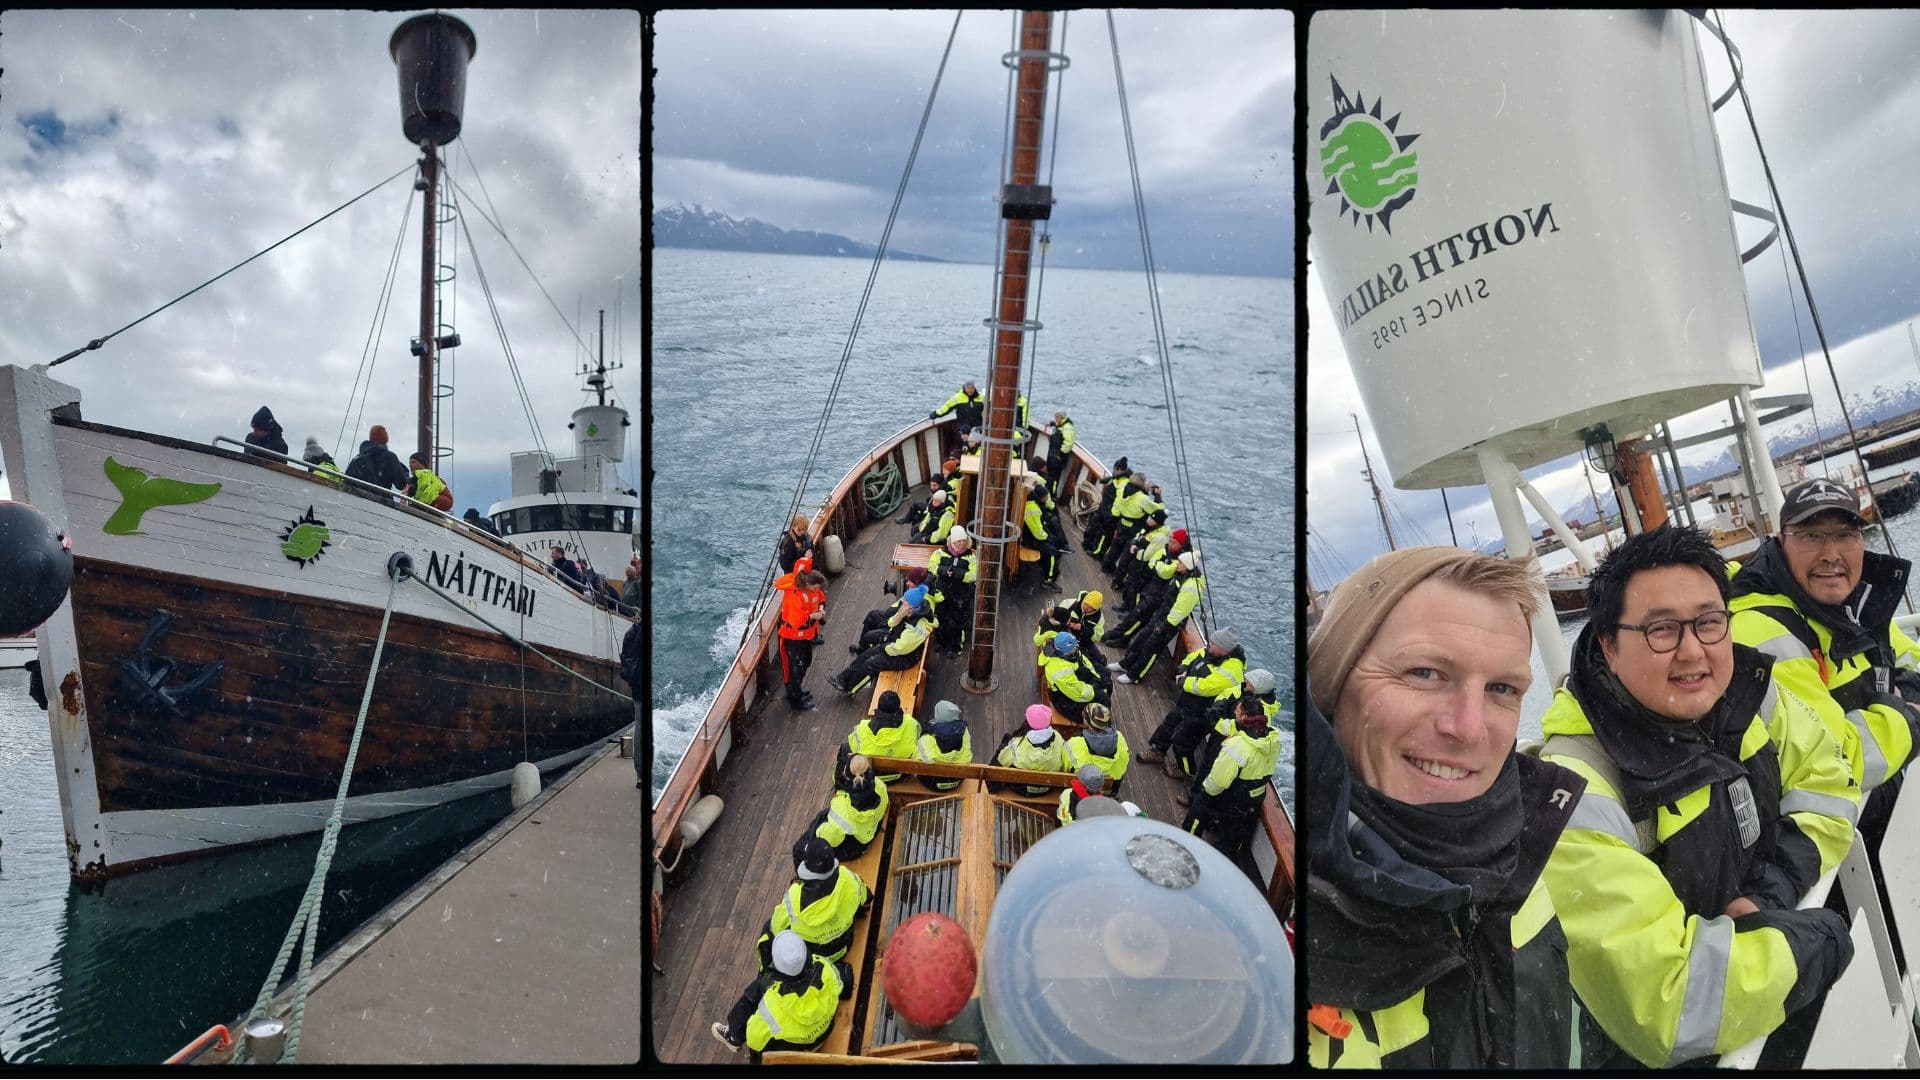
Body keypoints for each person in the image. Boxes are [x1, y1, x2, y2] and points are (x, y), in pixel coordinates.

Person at [1538, 525, 1857, 1068]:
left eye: (1709, 622)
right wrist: (1826, 938)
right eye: (1661, 630)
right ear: (1609, 646)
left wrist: (1769, 895)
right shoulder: (1574, 795)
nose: (1693, 652)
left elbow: (1829, 782)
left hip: (1762, 997)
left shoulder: (1748, 693)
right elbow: (1670, 1005)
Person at [1304, 546, 1586, 1068]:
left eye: (1502, 688)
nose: (1469, 728)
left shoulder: (1526, 860)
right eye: (1425, 673)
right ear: (1332, 687)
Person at [1729, 478, 1920, 885]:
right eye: (1811, 535)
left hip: (1887, 829)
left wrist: (1896, 704)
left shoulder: (1853, 604)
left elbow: (1911, 663)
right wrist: (1906, 718)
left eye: (1845, 534)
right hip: (1842, 867)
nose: (1831, 553)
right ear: (1781, 542)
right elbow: (1837, 760)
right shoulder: (1764, 632)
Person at [712, 930, 847, 1060]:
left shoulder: (772, 1005)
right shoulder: (825, 967)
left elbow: (754, 1039)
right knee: (760, 988)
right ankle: (734, 1034)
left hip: (797, 1050)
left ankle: (734, 1036)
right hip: (823, 1033)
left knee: (757, 990)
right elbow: (839, 985)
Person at [1183, 695, 1281, 863]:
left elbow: (1218, 782)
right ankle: (1226, 856)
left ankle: (1186, 846)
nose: (1234, 713)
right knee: (1232, 835)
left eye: (1236, 711)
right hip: (1252, 799)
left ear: (1243, 717)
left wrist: (1205, 792)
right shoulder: (1273, 739)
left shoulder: (1237, 746)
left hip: (1232, 799)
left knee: (1199, 808)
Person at [1139, 627, 1245, 778]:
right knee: (1168, 725)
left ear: (1223, 649)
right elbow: (1197, 655)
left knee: (1183, 743)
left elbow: (1206, 687)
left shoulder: (1232, 670)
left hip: (1202, 714)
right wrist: (1185, 665)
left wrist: (1183, 681)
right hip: (1187, 703)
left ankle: (1186, 771)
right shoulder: (1212, 651)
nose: (1209, 645)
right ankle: (1158, 751)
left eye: (1213, 644)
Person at [753, 837, 872, 969]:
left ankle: (766, 970)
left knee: (769, 928)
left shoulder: (794, 899)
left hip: (816, 958)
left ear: (807, 868)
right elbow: (866, 898)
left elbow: (776, 929)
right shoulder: (849, 878)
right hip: (842, 946)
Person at [1182, 667, 1279, 807]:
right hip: (1219, 739)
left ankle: (1197, 803)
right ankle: (1194, 797)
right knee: (1205, 767)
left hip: (1229, 746)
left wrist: (1217, 722)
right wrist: (1220, 705)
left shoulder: (1262, 713)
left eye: (1249, 682)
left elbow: (1244, 734)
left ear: (1258, 688)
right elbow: (1226, 695)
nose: (1245, 682)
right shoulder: (1245, 692)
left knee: (1213, 772)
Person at [1113, 551, 1205, 684]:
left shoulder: (1192, 586)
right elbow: (1165, 572)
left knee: (1150, 649)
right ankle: (1125, 664)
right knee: (1141, 639)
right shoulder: (1180, 572)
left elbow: (1180, 610)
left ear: (1187, 566)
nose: (1177, 564)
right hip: (1161, 614)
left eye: (1180, 563)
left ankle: (1135, 675)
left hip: (1169, 624)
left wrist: (1164, 626)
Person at [825, 589, 934, 698]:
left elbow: (901, 648)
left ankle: (850, 689)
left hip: (905, 657)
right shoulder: (910, 612)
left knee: (871, 664)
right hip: (895, 645)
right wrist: (899, 616)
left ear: (911, 606)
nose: (903, 602)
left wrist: (883, 647)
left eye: (905, 602)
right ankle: (843, 678)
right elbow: (891, 623)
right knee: (866, 654)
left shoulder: (917, 626)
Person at [807, 755, 890, 861]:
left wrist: (819, 832)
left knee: (817, 826)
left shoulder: (841, 808)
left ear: (846, 774)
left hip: (859, 844)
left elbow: (831, 840)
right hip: (873, 826)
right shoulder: (879, 784)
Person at [776, 557, 828, 711]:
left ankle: (797, 691)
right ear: (808, 583)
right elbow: (797, 620)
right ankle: (795, 700)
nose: (816, 590)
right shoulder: (794, 595)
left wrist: (821, 609)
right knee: (796, 667)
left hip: (806, 636)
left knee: (805, 661)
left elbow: (820, 599)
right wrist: (813, 616)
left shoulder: (812, 590)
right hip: (793, 637)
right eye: (815, 587)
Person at [993, 704, 1071, 796]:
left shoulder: (1018, 742)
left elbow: (1001, 762)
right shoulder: (1058, 737)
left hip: (1022, 788)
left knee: (1006, 742)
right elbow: (1064, 764)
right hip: (1047, 787)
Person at [845, 690, 920, 782]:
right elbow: (918, 739)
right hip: (899, 776)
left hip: (872, 777)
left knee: (845, 748)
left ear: (878, 706)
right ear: (898, 706)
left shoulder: (862, 728)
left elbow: (854, 750)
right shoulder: (911, 723)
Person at [926, 527, 978, 655]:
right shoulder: (940, 553)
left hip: (961, 595)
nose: (961, 544)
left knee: (957, 621)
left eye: (963, 541)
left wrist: (958, 573)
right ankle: (940, 643)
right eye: (958, 541)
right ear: (952, 541)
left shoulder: (971, 557)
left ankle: (955, 647)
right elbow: (931, 566)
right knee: (941, 618)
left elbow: (974, 576)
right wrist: (944, 571)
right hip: (943, 593)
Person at [1040, 632, 1109, 722]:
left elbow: (1086, 663)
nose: (1076, 648)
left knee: (1106, 679)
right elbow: (1077, 693)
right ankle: (1100, 726)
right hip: (1066, 702)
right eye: (1072, 648)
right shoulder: (1058, 668)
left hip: (1076, 687)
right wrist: (1096, 689)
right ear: (1063, 651)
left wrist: (1097, 678)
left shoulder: (1069, 652)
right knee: (1103, 700)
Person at [1064, 701, 1129, 799]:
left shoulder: (1074, 744)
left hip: (1080, 792)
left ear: (1088, 723)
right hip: (1107, 791)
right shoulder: (1120, 739)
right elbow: (1122, 767)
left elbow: (1065, 768)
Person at [1034, 590, 1108, 672]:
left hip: (1084, 639)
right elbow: (1056, 614)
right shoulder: (1070, 603)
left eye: (1090, 607)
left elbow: (1096, 638)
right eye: (1086, 603)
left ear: (1096, 609)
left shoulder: (1099, 619)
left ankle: (1100, 662)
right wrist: (1065, 625)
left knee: (1099, 659)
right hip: (1066, 634)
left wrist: (1082, 629)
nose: (1086, 607)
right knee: (1084, 659)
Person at [1019, 476, 1068, 594]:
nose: (1047, 499)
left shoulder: (1035, 502)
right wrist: (1050, 539)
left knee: (1052, 537)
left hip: (1032, 535)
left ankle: (1044, 565)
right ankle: (1048, 581)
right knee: (1053, 553)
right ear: (1041, 498)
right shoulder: (1032, 509)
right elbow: (1038, 534)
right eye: (1046, 497)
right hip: (1028, 539)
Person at [915, 699, 972, 792]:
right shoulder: (964, 732)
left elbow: (921, 759)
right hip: (957, 780)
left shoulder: (927, 738)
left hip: (933, 783)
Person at [1082, 458, 1131, 555]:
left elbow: (1119, 502)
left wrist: (1112, 516)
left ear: (1118, 469)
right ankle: (1088, 544)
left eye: (1114, 469)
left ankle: (1097, 553)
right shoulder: (1116, 479)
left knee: (1104, 535)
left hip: (1110, 514)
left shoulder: (1123, 484)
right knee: (1094, 525)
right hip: (1103, 509)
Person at [344, 424, 411, 492]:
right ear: (386, 439)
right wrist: (407, 477)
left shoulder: (357, 459)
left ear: (371, 437)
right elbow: (401, 484)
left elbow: (347, 481)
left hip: (356, 499)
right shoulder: (389, 457)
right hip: (380, 500)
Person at [622, 618, 641, 789]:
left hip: (637, 687)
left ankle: (640, 775)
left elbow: (626, 660)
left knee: (640, 727)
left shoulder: (631, 633)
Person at [1045, 410, 1076, 496]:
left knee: (1054, 477)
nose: (1056, 419)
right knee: (1050, 475)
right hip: (1053, 455)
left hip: (1058, 457)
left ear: (1062, 417)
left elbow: (1068, 443)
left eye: (1057, 417)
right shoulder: (1062, 425)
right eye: (1055, 417)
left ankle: (1051, 494)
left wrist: (1060, 455)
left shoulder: (1067, 427)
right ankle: (1048, 491)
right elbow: (1058, 426)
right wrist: (1052, 423)